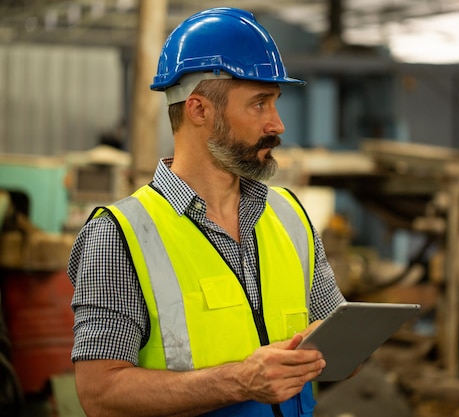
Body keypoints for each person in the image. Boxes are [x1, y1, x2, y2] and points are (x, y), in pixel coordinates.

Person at [67, 7, 346, 417]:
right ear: (199, 110)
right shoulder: (120, 235)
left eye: (275, 102)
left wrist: (332, 345)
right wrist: (239, 380)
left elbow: (335, 339)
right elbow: (100, 394)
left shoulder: (289, 216)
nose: (278, 124)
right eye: (259, 104)